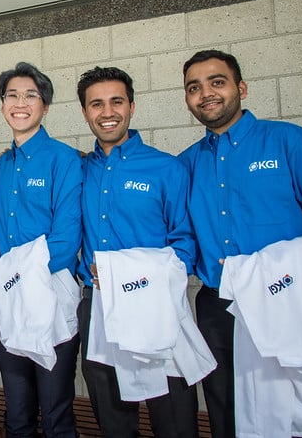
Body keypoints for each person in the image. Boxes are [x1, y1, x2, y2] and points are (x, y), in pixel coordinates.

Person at [179, 50, 302, 438]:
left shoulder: (291, 142)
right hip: (219, 306)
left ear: (241, 88)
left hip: (289, 297)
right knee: (228, 414)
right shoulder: (184, 165)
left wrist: (287, 272)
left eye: (217, 82)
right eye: (194, 87)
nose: (206, 94)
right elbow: (175, 237)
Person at [76, 66, 199, 437]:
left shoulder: (166, 168)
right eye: (96, 104)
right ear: (84, 112)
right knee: (113, 419)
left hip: (155, 305)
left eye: (116, 101)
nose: (107, 112)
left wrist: (133, 272)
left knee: (173, 417)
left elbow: (185, 244)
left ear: (132, 106)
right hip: (97, 305)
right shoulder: (77, 170)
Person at [0, 61, 83, 437]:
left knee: (56, 409)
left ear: (45, 106)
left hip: (52, 293)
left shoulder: (64, 159)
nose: (20, 102)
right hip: (10, 299)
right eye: (12, 95)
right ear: (2, 105)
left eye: (31, 95)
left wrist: (8, 272)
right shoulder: (0, 166)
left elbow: (65, 240)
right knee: (17, 411)